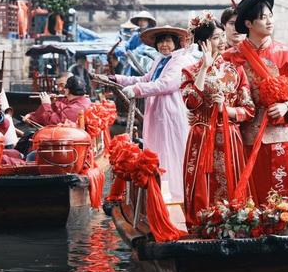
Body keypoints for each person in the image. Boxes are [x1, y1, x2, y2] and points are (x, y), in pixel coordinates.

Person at [223, 0, 288, 203]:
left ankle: (281, 223)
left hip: (280, 132)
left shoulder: (286, 54)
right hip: (244, 134)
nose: (270, 21)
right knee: (251, 196)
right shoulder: (231, 57)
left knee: (280, 193)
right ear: (248, 23)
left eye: (271, 16)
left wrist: (286, 107)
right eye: (263, 17)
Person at [180, 14, 255, 226]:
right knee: (203, 183)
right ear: (203, 42)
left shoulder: (236, 70)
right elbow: (191, 103)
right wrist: (204, 67)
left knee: (231, 183)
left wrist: (226, 110)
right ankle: (202, 223)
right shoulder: (190, 70)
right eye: (216, 38)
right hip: (202, 135)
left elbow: (248, 109)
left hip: (230, 135)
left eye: (223, 36)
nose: (222, 41)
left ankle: (234, 223)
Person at [111, 25, 195, 202]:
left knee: (171, 151)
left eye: (168, 41)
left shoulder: (181, 61)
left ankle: (177, 195)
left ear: (176, 43)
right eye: (161, 42)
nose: (164, 45)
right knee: (159, 152)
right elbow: (146, 79)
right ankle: (159, 193)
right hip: (157, 113)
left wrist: (137, 89)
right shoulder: (161, 60)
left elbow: (167, 84)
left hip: (171, 114)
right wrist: (119, 79)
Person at [25, 76, 91, 127]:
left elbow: (51, 122)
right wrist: (32, 116)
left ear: (67, 90)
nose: (60, 89)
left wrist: (46, 104)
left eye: (62, 86)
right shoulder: (83, 100)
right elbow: (57, 111)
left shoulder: (76, 107)